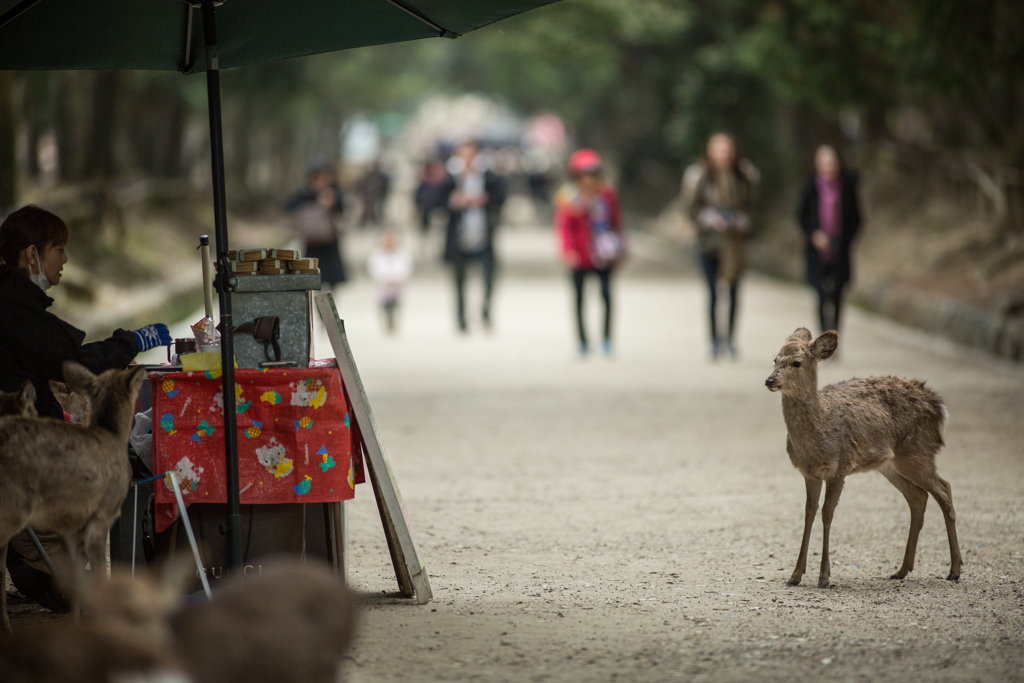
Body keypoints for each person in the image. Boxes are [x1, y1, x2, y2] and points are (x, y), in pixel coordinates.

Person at [0, 204, 170, 611]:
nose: (65, 260)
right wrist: (131, 342)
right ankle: (29, 551)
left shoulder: (15, 300)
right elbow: (71, 361)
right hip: (19, 456)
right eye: (59, 249)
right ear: (32, 255)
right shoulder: (11, 306)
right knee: (83, 593)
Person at [681, 133, 760, 360]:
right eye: (718, 149)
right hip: (709, 243)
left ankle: (732, 339)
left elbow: (754, 207)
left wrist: (741, 219)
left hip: (735, 244)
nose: (723, 154)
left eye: (727, 149)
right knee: (713, 293)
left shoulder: (745, 175)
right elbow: (690, 207)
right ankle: (715, 340)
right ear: (709, 152)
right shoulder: (699, 176)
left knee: (734, 291)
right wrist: (707, 218)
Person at [555, 149, 625, 356]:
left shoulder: (607, 195)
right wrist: (567, 251)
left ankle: (606, 339)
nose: (588, 179)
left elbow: (616, 223)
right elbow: (564, 227)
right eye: (583, 174)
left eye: (592, 174)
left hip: (604, 253)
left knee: (606, 296)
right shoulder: (568, 197)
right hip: (579, 255)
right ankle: (582, 341)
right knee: (579, 299)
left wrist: (619, 249)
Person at [440, 141, 507, 332]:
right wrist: (453, 201)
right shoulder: (451, 178)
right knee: (459, 280)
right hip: (458, 237)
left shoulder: (489, 177)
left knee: (489, 275)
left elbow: (501, 196)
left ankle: (485, 311)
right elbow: (434, 199)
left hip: (483, 236)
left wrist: (485, 200)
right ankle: (461, 318)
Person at [797, 145, 862, 334]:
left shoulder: (848, 188)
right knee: (821, 294)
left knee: (838, 294)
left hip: (840, 250)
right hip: (816, 250)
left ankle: (834, 334)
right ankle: (824, 333)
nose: (828, 166)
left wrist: (843, 240)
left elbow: (856, 219)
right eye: (824, 162)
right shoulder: (811, 187)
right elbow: (801, 216)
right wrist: (814, 234)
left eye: (831, 162)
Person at [286, 164, 347, 288]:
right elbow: (289, 206)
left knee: (331, 277)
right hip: (312, 242)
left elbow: (342, 209)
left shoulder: (333, 192)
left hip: (329, 241)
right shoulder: (305, 193)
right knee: (312, 274)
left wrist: (331, 202)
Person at [367, 229, 413, 334]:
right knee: (384, 303)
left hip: (397, 285)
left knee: (396, 303)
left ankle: (394, 320)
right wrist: (385, 279)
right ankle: (387, 319)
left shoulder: (403, 254)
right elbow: (374, 269)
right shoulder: (377, 255)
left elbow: (406, 268)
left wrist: (397, 278)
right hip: (383, 285)